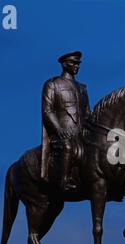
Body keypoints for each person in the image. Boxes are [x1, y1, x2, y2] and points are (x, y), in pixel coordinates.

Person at [40, 51, 90, 191]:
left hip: (81, 134)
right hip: (62, 134)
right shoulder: (52, 84)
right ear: (64, 64)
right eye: (73, 63)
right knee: (68, 147)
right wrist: (59, 129)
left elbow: (87, 113)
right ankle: (64, 181)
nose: (76, 66)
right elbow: (47, 111)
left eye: (78, 63)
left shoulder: (82, 88)